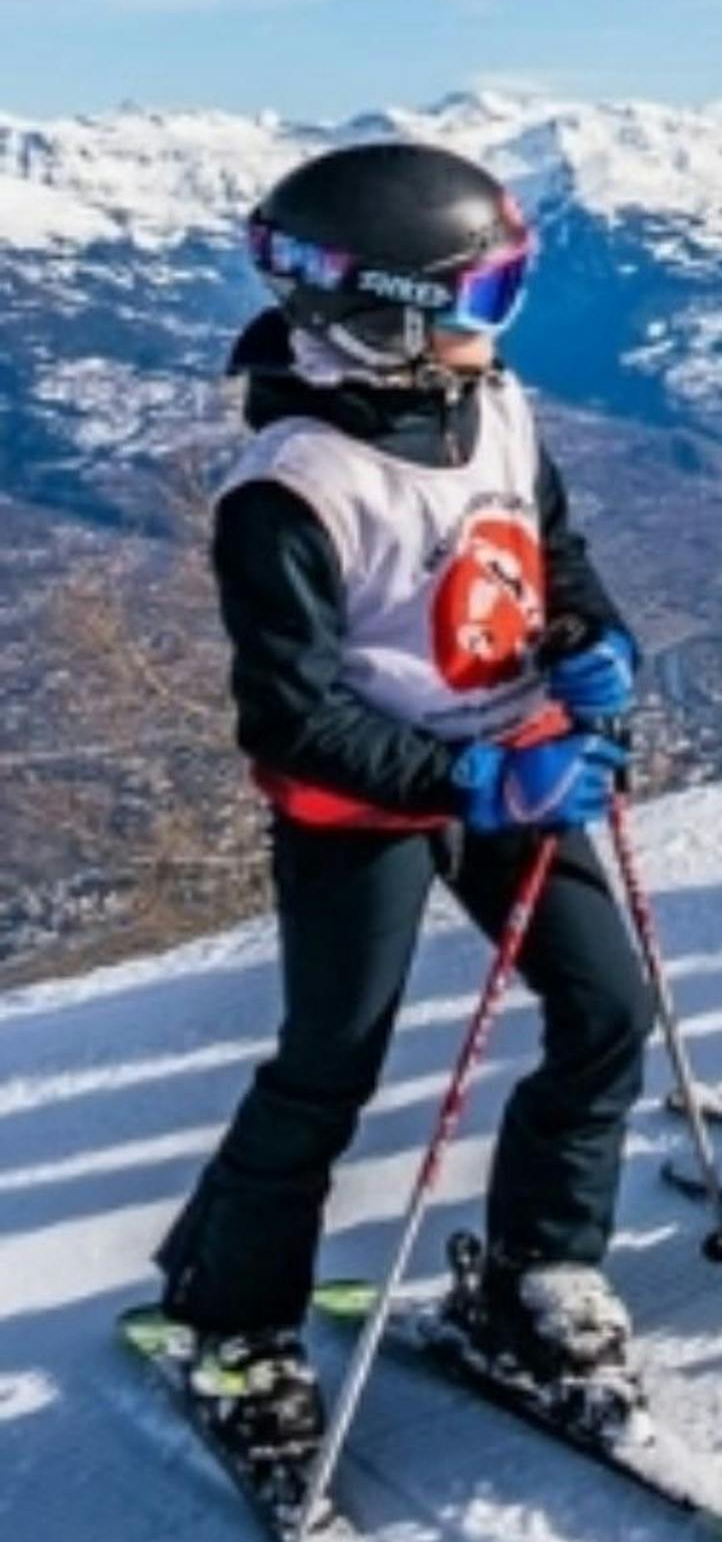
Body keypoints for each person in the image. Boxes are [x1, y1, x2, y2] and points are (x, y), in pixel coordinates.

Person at [151, 140, 653, 1462]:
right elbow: (292, 715)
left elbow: (557, 559)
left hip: (514, 758)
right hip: (365, 810)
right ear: (385, 321)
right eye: (481, 300)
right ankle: (238, 1323)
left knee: (608, 1005)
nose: (501, 328)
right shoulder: (290, 488)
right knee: (333, 1063)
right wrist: (469, 777)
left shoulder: (501, 409)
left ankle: (538, 1269)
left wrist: (595, 638)